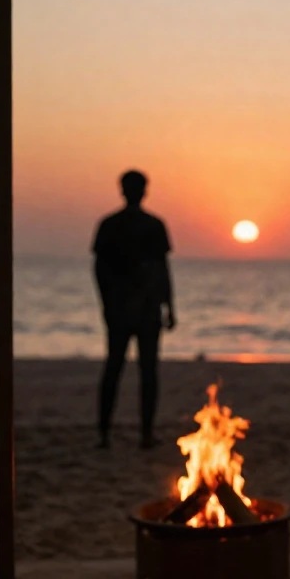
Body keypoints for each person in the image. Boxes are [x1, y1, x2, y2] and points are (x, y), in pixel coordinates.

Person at [92, 170, 176, 450]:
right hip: (135, 308)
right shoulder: (141, 225)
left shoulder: (117, 224)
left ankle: (122, 434)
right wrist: (169, 306)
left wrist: (168, 306)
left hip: (134, 308)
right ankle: (135, 434)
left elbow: (161, 269)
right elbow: (161, 269)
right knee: (135, 370)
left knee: (125, 369)